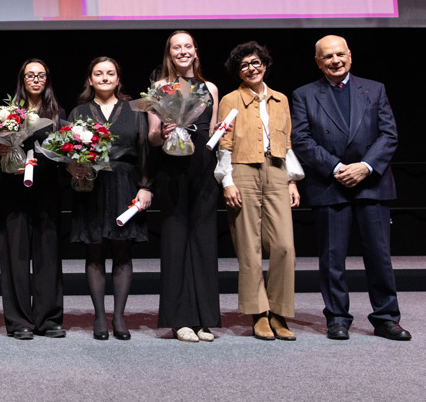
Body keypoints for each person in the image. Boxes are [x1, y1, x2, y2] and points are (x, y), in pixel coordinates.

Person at [291, 35, 409, 341]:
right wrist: (336, 167)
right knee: (332, 258)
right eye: (327, 56)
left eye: (339, 54)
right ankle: (337, 317)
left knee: (379, 256)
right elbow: (301, 139)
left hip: (372, 183)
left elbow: (389, 134)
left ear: (350, 56)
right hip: (331, 184)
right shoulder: (304, 94)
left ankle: (386, 318)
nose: (335, 60)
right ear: (318, 61)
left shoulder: (375, 89)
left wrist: (365, 166)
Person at [215, 42, 301, 340]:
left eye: (255, 63)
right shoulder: (230, 100)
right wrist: (227, 181)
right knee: (249, 247)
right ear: (237, 72)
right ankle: (259, 314)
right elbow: (223, 143)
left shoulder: (281, 99)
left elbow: (286, 141)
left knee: (284, 247)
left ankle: (279, 312)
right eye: (244, 66)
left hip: (276, 170)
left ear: (265, 63)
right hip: (242, 170)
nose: (251, 69)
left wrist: (291, 180)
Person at [69, 57, 153, 341]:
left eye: (110, 73)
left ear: (118, 79)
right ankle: (98, 316)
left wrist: (146, 186)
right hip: (91, 186)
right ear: (90, 80)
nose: (105, 78)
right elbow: (67, 151)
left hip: (125, 184)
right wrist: (73, 166)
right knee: (94, 251)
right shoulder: (79, 111)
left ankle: (119, 317)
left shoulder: (134, 109)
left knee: (122, 251)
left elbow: (144, 150)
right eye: (98, 74)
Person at [148, 31, 221, 343]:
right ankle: (180, 320)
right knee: (176, 243)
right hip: (173, 170)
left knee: (204, 243)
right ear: (169, 53)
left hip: (203, 170)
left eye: (187, 46)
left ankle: (204, 319)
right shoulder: (159, 88)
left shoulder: (211, 88)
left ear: (195, 51)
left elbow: (215, 131)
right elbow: (151, 137)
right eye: (176, 47)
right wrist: (164, 132)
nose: (182, 51)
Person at [0, 58, 66, 340]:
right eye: (30, 75)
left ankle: (48, 319)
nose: (35, 79)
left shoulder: (58, 113)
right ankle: (19, 320)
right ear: (22, 80)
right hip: (14, 188)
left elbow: (65, 150)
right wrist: (1, 150)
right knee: (15, 254)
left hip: (47, 188)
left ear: (47, 80)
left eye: (41, 75)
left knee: (48, 254)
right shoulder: (7, 113)